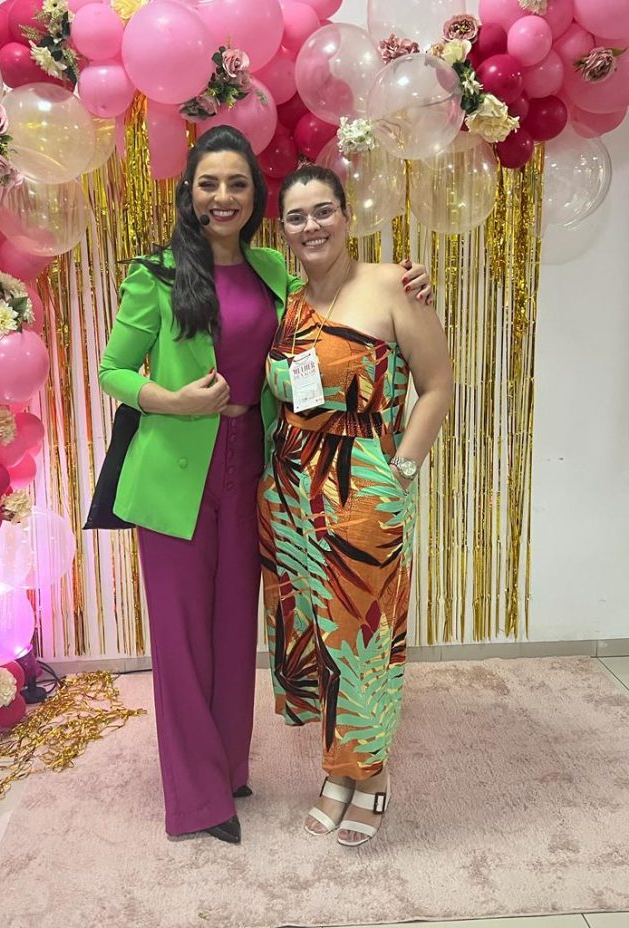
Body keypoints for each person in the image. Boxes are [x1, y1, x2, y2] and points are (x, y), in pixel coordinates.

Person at [98, 126, 432, 845]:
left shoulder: (274, 269)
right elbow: (111, 371)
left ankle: (229, 769)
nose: (222, 197)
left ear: (256, 198)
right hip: (174, 470)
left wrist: (409, 282)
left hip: (260, 467)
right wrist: (169, 399)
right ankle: (196, 800)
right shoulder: (156, 274)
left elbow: (337, 309)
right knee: (182, 639)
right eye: (208, 183)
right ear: (189, 192)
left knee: (233, 630)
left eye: (238, 183)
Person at [258, 164, 453, 847]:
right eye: (296, 216)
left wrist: (402, 470)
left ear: (346, 215)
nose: (311, 225)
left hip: (363, 489)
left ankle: (370, 775)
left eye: (323, 211)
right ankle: (337, 769)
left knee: (362, 634)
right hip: (290, 494)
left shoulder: (396, 284)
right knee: (318, 634)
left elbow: (437, 385)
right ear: (283, 230)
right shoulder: (287, 299)